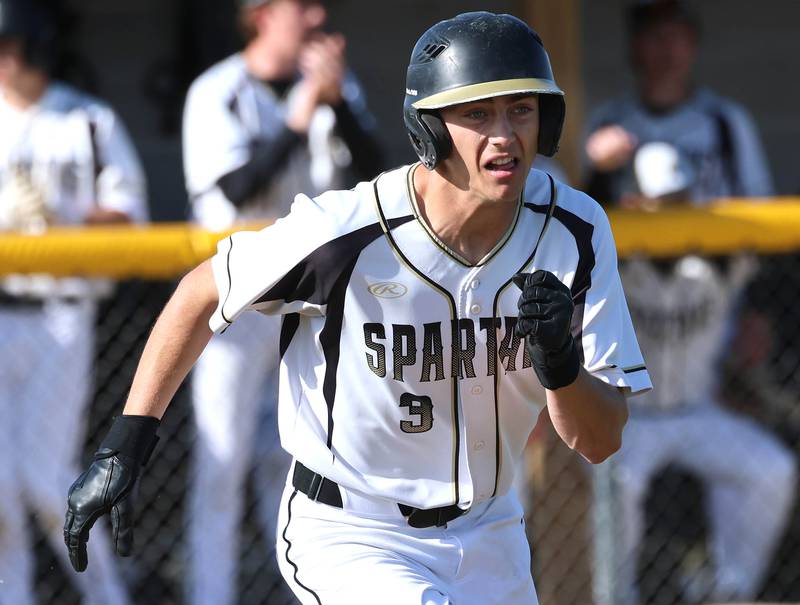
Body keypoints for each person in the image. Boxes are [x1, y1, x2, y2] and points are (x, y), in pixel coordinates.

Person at [64, 12, 651, 604]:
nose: (504, 134)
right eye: (476, 113)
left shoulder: (575, 228)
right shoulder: (348, 229)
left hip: (491, 530)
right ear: (430, 129)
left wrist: (561, 366)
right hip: (352, 531)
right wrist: (128, 440)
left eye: (521, 109)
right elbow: (203, 289)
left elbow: (600, 440)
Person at [582, 1, 797, 603]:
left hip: (699, 407)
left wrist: (756, 332)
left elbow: (760, 237)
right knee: (613, 481)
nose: (667, 208)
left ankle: (727, 592)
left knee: (770, 469)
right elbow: (572, 234)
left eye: (678, 196)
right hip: (631, 419)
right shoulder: (610, 261)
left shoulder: (719, 259)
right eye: (655, 199)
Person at [181, 0, 384, 602]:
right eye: (302, 6)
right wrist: (300, 117)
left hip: (308, 305)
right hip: (233, 302)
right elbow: (236, 189)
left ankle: (298, 593)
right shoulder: (217, 90)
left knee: (305, 465)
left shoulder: (330, 85)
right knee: (221, 467)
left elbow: (375, 171)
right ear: (262, 14)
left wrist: (338, 101)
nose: (318, 17)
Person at [0, 1, 148, 604]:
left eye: (10, 45)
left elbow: (131, 219)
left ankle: (108, 596)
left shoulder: (86, 118)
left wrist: (63, 216)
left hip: (62, 314)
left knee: (42, 479)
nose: (4, 59)